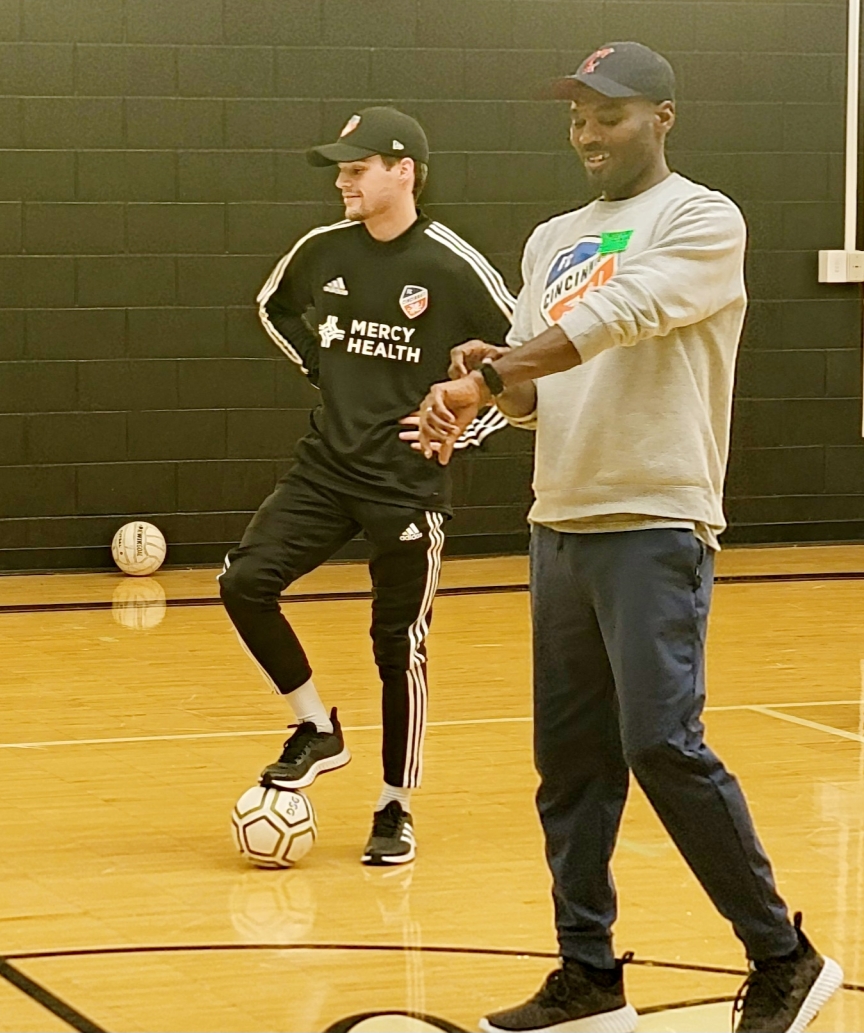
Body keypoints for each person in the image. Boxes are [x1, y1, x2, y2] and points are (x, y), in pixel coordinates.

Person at [415, 43, 843, 1033]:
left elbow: (624, 312)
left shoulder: (702, 218)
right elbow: (535, 386)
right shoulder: (551, 236)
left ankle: (786, 956)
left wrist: (490, 375)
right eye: (576, 116)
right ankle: (587, 977)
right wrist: (499, 381)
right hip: (559, 518)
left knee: (662, 744)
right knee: (569, 764)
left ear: (662, 118)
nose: (587, 133)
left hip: (656, 515)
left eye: (608, 114)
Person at [218, 106, 514, 867]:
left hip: (407, 487)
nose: (344, 181)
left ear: (403, 171)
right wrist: (326, 369)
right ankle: (316, 727)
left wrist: (464, 428)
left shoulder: (452, 263)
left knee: (398, 648)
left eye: (358, 168)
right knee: (245, 581)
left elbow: (516, 362)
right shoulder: (322, 250)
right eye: (341, 170)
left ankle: (394, 806)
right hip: (326, 467)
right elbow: (272, 308)